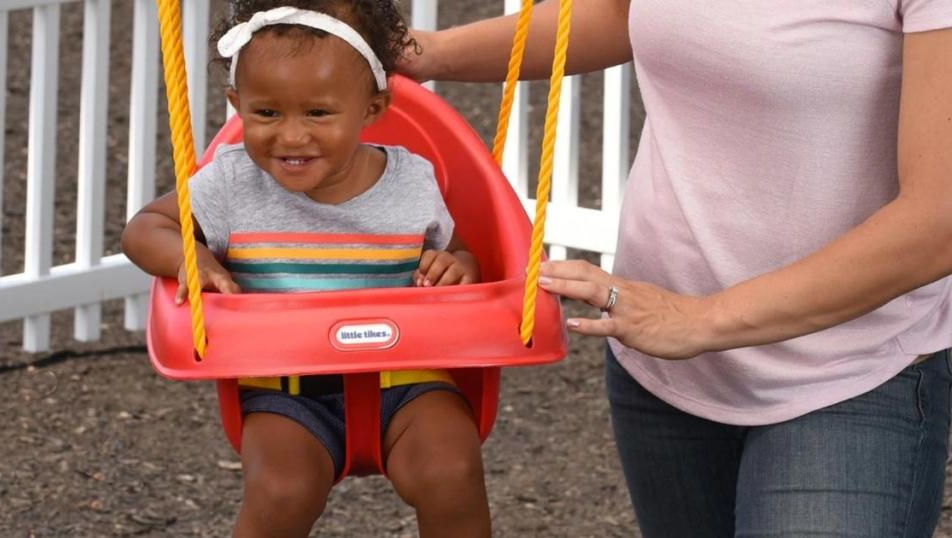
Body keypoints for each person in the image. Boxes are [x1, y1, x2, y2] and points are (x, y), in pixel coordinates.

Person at [402, 1, 952, 536]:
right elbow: (621, 14)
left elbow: (938, 220)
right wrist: (432, 52)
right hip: (662, 365)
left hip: (845, 373)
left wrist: (703, 318)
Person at [121, 2, 492, 536]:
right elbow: (144, 229)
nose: (291, 137)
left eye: (318, 113)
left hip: (409, 380)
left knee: (451, 471)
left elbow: (462, 254)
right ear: (237, 105)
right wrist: (190, 256)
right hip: (285, 389)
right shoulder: (231, 185)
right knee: (282, 491)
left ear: (371, 108)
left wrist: (455, 268)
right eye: (267, 113)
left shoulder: (411, 182)